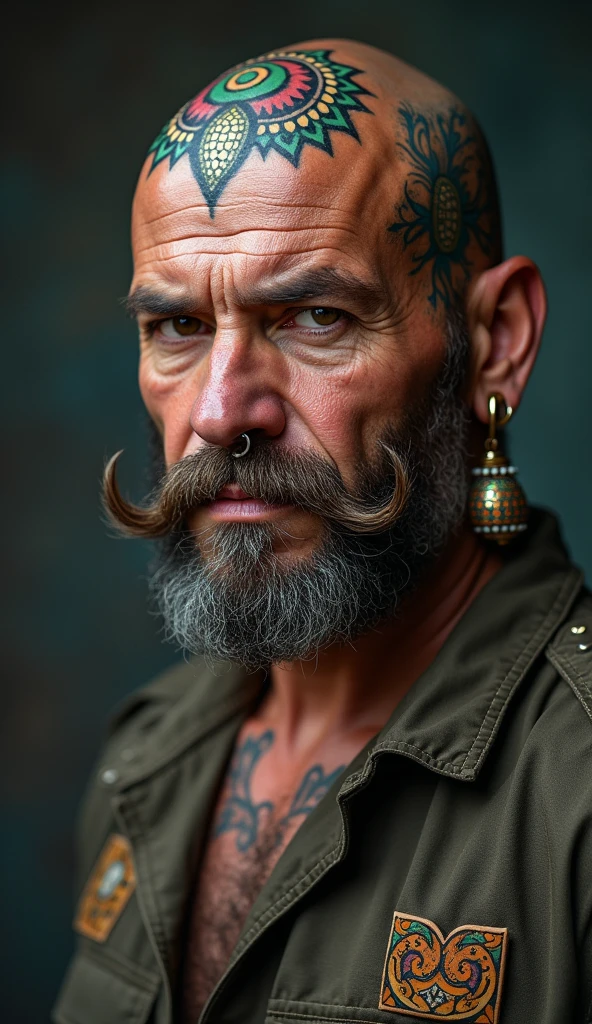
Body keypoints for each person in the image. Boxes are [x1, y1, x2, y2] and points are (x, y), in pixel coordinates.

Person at [53, 38, 591, 1024]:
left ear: (494, 343)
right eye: (176, 328)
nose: (221, 411)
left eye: (313, 315)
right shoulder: (145, 758)